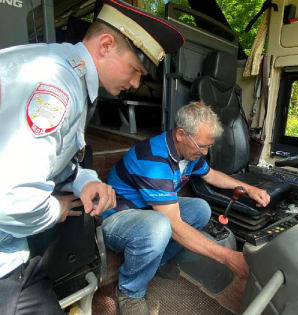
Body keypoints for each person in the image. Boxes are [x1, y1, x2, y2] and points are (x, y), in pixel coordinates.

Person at [0, 0, 184, 314]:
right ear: (106, 44)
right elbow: (12, 197)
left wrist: (85, 180)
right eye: (135, 70)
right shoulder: (55, 84)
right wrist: (54, 209)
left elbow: (56, 156)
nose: (136, 84)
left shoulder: (64, 71)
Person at [103, 101, 271, 314]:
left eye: (209, 146)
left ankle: (158, 262)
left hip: (149, 210)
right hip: (118, 218)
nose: (205, 152)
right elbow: (173, 226)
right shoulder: (153, 159)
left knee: (201, 209)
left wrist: (248, 188)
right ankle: (130, 290)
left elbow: (211, 175)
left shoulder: (189, 154)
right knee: (160, 226)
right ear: (181, 134)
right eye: (202, 146)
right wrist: (229, 257)